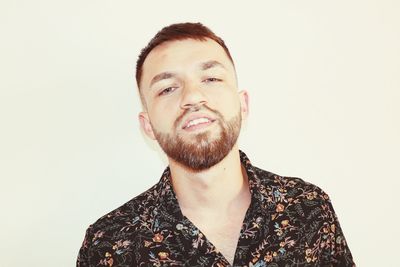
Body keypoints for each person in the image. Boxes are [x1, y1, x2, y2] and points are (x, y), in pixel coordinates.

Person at [77, 22, 355, 266]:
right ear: (147, 125)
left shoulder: (308, 209)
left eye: (211, 78)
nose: (193, 97)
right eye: (167, 88)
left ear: (242, 104)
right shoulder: (108, 245)